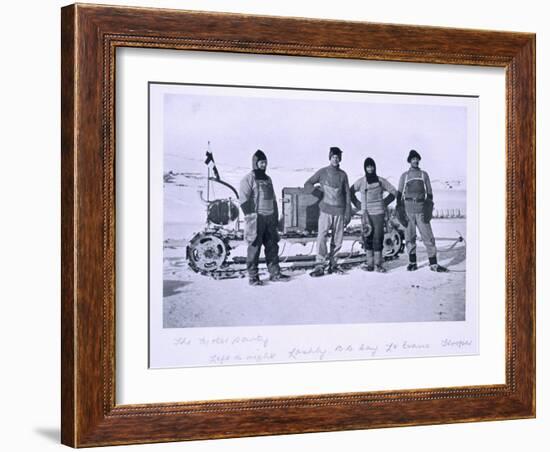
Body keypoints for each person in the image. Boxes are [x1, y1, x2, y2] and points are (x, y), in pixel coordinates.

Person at [239, 150, 290, 286]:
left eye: (265, 162)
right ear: (255, 163)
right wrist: (250, 217)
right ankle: (253, 276)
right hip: (257, 219)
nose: (263, 165)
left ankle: (274, 273)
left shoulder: (268, 179)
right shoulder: (248, 178)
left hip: (269, 218)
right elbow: (243, 200)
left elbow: (273, 198)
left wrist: (275, 216)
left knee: (272, 246)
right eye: (261, 162)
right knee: (254, 247)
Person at [396, 149, 448, 272]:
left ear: (419, 160)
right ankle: (412, 262)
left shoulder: (424, 174)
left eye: (417, 159)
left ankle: (433, 264)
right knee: (410, 237)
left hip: (421, 210)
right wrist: (400, 210)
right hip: (408, 210)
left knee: (428, 236)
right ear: (409, 161)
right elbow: (399, 194)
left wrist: (428, 209)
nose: (415, 161)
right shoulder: (405, 176)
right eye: (413, 159)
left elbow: (429, 193)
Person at [304, 147, 352, 277]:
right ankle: (320, 265)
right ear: (329, 158)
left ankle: (333, 264)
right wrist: (318, 193)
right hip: (325, 211)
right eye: (333, 157)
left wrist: (348, 211)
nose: (335, 159)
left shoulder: (343, 175)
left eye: (337, 157)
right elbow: (307, 184)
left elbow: (347, 194)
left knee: (337, 239)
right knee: (321, 237)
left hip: (339, 211)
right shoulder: (322, 172)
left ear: (339, 159)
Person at [350, 157, 397, 272]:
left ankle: (378, 264)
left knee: (378, 237)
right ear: (365, 168)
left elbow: (394, 192)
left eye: (372, 166)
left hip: (379, 213)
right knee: (367, 238)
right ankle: (369, 264)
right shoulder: (361, 182)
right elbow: (350, 192)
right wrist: (358, 204)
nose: (370, 168)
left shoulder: (381, 181)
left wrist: (384, 203)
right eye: (368, 166)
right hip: (366, 214)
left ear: (374, 167)